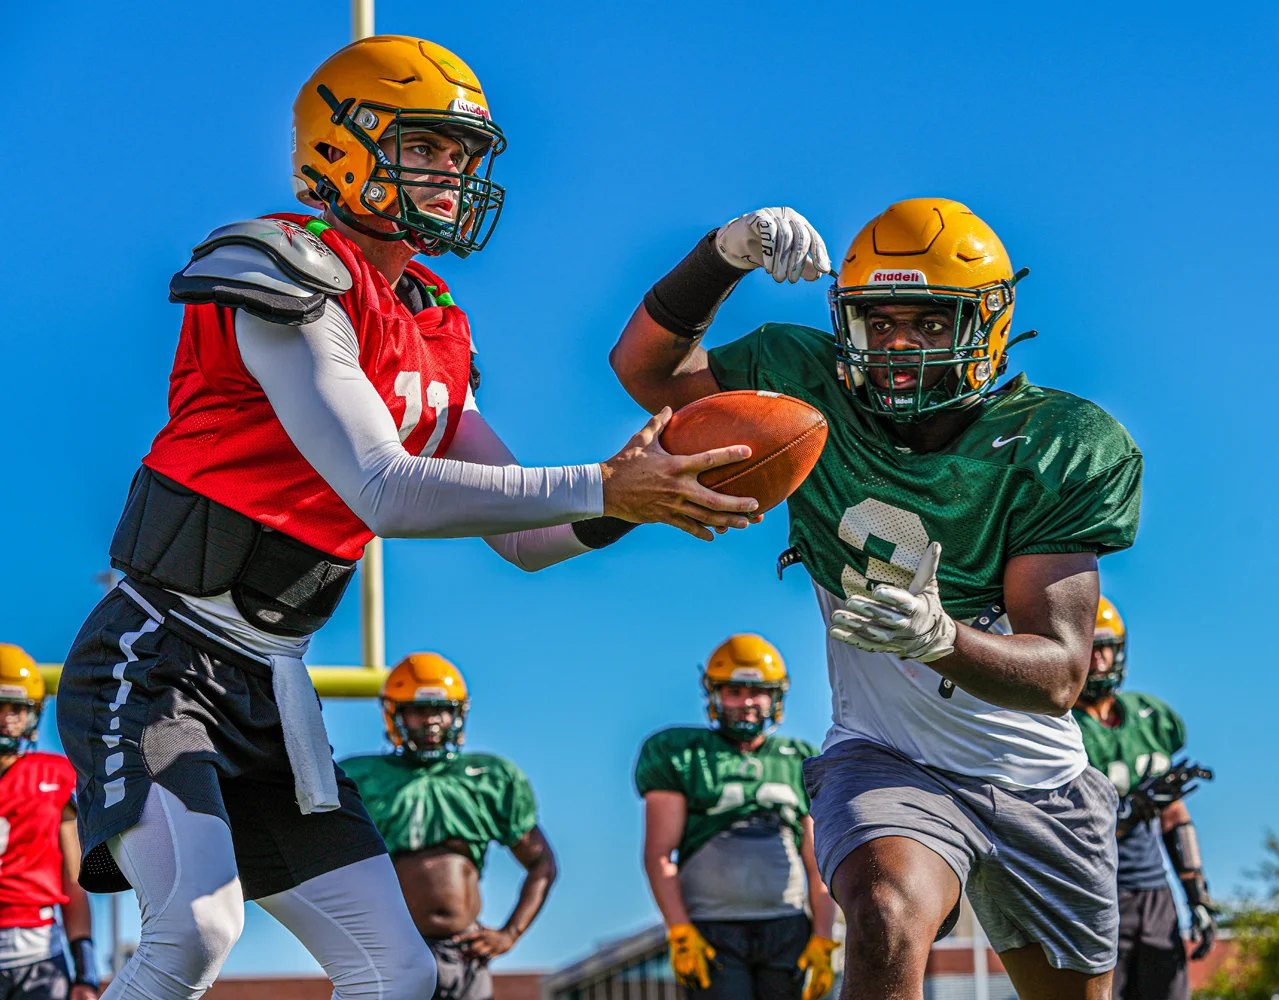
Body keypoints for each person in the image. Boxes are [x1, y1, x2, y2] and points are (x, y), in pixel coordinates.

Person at [57, 35, 758, 1000]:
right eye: (428, 146)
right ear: (343, 146)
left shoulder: (433, 317)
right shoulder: (281, 268)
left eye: (464, 155)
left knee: (394, 971)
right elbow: (380, 487)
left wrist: (642, 501)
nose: (454, 174)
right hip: (159, 657)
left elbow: (522, 539)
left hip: (276, 683)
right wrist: (605, 484)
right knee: (195, 931)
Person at [611, 199, 1143, 1000]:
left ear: (986, 325)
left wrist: (940, 639)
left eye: (929, 323)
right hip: (889, 753)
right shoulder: (805, 378)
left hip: (1038, 779)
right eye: (878, 323)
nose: (898, 346)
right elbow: (646, 373)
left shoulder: (1059, 442)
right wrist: (720, 255)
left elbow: (1061, 674)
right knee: (886, 910)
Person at [341, 653, 555, 1000]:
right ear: (396, 713)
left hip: (464, 953)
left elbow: (541, 864)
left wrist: (509, 933)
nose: (431, 722)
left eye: (440, 710)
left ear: (458, 714)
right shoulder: (360, 776)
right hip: (389, 950)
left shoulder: (489, 777)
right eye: (418, 710)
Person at [635, 635, 838, 1000]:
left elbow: (818, 862)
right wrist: (680, 931)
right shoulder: (680, 752)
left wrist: (824, 936)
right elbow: (659, 853)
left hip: (787, 927)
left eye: (757, 691)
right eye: (734, 691)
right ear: (714, 695)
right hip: (712, 929)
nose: (746, 703)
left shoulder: (800, 759)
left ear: (775, 697)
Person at [1072, 598, 1216, 1000]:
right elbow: (1070, 833)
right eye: (1090, 648)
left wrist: (1197, 896)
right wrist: (1133, 808)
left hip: (1155, 894)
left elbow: (1173, 816)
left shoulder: (1148, 718)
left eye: (1107, 648)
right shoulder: (1061, 730)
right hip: (1096, 895)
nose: (1099, 661)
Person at [0, 645, 99, 1000]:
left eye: (17, 709)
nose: (8, 719)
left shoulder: (54, 776)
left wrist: (86, 971)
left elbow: (73, 881)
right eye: (0, 707)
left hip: (38, 955)